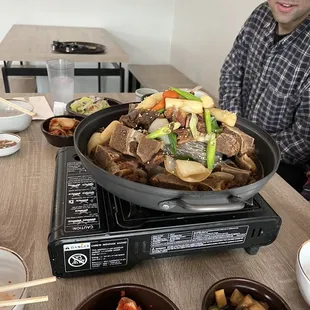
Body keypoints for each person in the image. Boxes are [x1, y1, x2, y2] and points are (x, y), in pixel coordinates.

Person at [219, 0, 310, 193]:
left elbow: (303, 141)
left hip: (281, 165)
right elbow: (231, 72)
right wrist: (235, 132)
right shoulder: (261, 13)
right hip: (233, 138)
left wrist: (249, 147)